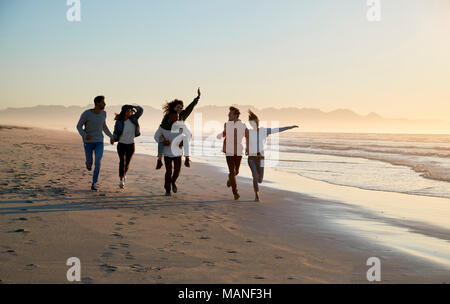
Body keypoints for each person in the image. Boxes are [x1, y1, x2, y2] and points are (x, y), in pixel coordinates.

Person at [245, 110, 298, 202]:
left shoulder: (264, 131)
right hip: (251, 158)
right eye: (252, 122)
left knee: (260, 180)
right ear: (250, 123)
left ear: (258, 122)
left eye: (255, 121)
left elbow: (277, 129)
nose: (254, 123)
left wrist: (290, 127)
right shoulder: (249, 132)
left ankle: (257, 182)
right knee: (255, 176)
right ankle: (256, 195)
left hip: (261, 157)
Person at [156, 88, 201, 170]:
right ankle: (159, 160)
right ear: (173, 107)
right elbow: (163, 126)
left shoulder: (182, 115)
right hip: (167, 135)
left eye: (181, 108)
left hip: (178, 135)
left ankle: (187, 158)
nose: (179, 109)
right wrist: (163, 138)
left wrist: (197, 98)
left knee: (186, 138)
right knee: (161, 141)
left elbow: (190, 107)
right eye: (177, 107)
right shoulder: (167, 116)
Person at [76, 96, 114, 191]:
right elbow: (79, 126)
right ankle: (88, 163)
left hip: (99, 142)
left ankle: (94, 183)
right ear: (97, 103)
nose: (105, 104)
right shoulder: (86, 114)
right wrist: (84, 135)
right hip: (88, 142)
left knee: (98, 162)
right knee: (90, 162)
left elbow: (104, 127)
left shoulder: (104, 114)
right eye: (103, 102)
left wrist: (111, 136)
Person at [217, 106, 247, 200]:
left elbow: (247, 136)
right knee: (232, 171)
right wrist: (220, 135)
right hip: (229, 150)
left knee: (236, 172)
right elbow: (225, 133)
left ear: (236, 115)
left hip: (238, 150)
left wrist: (250, 148)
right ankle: (235, 192)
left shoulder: (242, 125)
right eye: (228, 113)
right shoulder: (227, 124)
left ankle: (230, 179)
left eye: (230, 113)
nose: (228, 115)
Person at [111, 104, 144, 189]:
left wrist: (133, 106)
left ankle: (124, 175)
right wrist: (113, 138)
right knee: (122, 161)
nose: (130, 112)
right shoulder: (119, 121)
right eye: (128, 111)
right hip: (121, 144)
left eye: (131, 111)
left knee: (127, 163)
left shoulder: (134, 118)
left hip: (131, 145)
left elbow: (141, 110)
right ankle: (121, 180)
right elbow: (115, 132)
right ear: (124, 112)